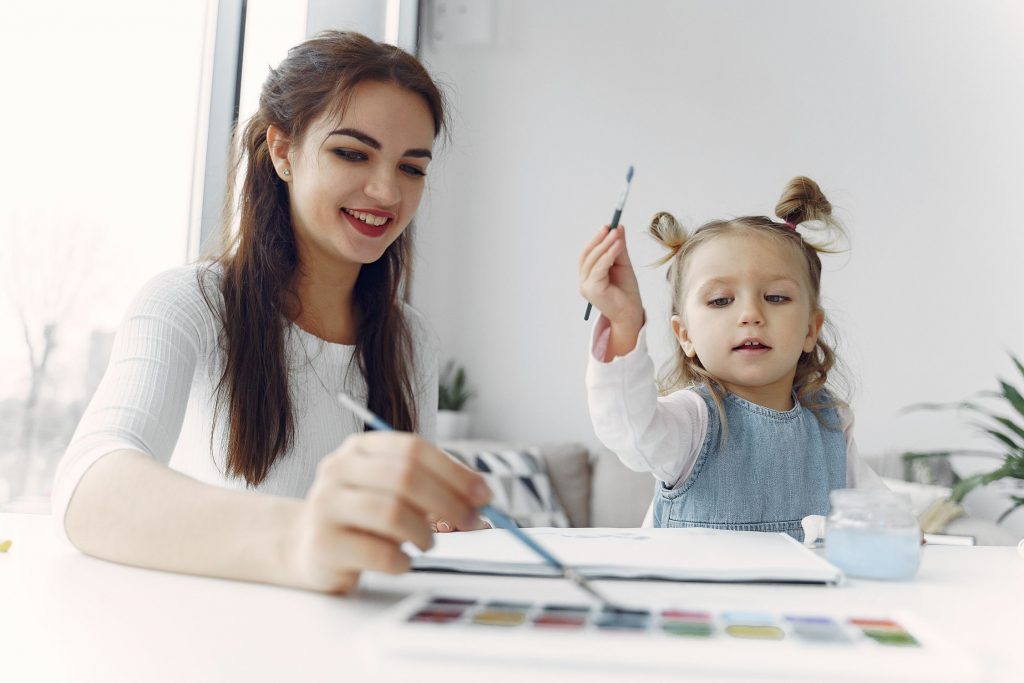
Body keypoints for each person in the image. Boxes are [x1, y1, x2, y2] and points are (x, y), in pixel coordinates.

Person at [52, 31, 491, 594]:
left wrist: (439, 516)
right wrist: (303, 537)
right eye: (351, 153)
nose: (386, 191)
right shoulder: (188, 304)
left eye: (412, 168)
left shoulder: (411, 339)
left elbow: (411, 530)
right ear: (283, 152)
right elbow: (89, 487)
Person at [578, 176, 884, 540]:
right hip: (694, 597)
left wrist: (897, 530)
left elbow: (877, 512)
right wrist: (624, 323)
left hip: (805, 597)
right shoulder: (690, 423)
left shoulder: (831, 426)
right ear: (685, 335)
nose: (750, 314)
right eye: (721, 301)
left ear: (809, 330)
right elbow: (629, 431)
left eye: (776, 297)